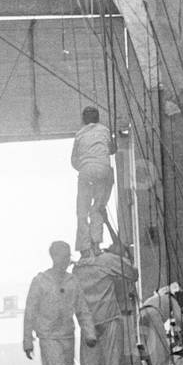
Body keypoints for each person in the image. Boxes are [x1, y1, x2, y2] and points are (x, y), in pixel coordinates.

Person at [72, 243, 143, 365]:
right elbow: (133, 274)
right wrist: (125, 259)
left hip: (87, 325)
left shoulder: (77, 268)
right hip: (109, 320)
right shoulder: (107, 260)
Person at [71, 106, 116, 258]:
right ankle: (96, 244)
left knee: (82, 210)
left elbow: (73, 161)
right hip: (103, 170)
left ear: (83, 120)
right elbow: (113, 150)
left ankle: (84, 248)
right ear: (98, 119)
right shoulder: (105, 130)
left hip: (86, 170)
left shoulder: (79, 134)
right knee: (97, 207)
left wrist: (84, 168)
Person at [139, 287, 183, 365]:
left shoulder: (155, 298)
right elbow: (179, 318)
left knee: (149, 351)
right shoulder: (171, 299)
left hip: (141, 316)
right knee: (162, 350)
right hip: (153, 316)